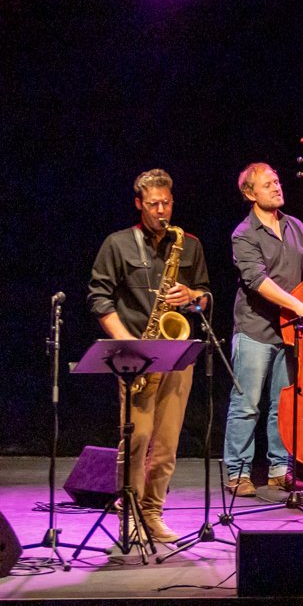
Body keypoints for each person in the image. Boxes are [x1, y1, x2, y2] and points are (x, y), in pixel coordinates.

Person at [87, 168, 210, 543]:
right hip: (136, 355)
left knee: (168, 442)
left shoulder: (188, 243)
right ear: (139, 204)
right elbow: (98, 298)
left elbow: (205, 295)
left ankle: (153, 513)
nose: (162, 211)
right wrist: (127, 344)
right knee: (137, 438)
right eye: (154, 204)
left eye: (167, 203)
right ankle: (129, 515)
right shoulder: (118, 243)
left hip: (177, 355)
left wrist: (191, 296)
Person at [223, 162, 303, 497]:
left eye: (277, 181)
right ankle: (237, 472)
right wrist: (299, 307)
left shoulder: (297, 226)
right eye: (267, 184)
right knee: (247, 405)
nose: (276, 187)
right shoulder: (244, 233)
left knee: (283, 406)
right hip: (255, 329)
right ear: (249, 193)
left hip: (290, 332)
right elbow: (257, 281)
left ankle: (278, 470)